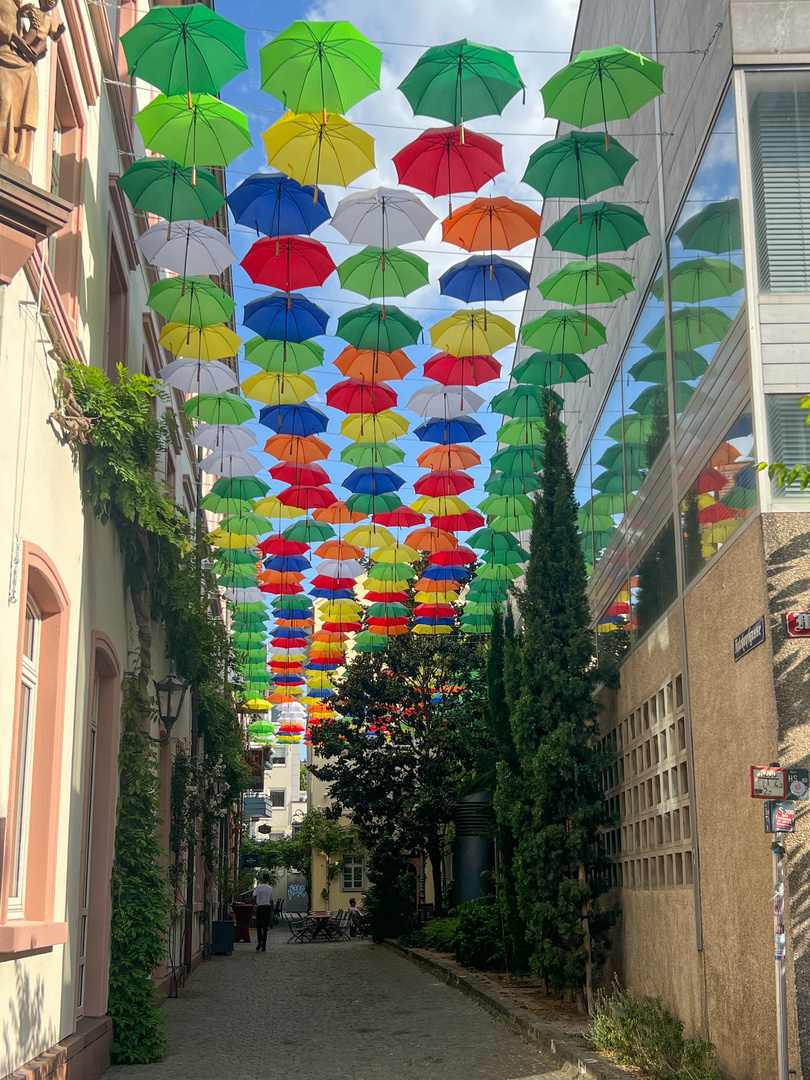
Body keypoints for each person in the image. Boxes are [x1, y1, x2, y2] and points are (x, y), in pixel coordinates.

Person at [253, 873, 274, 952]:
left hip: (260, 907)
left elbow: (253, 895)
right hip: (267, 907)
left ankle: (259, 941)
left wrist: (255, 904)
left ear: (262, 879)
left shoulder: (259, 888)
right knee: (265, 926)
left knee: (259, 926)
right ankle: (264, 945)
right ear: (268, 879)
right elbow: (271, 900)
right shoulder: (270, 888)